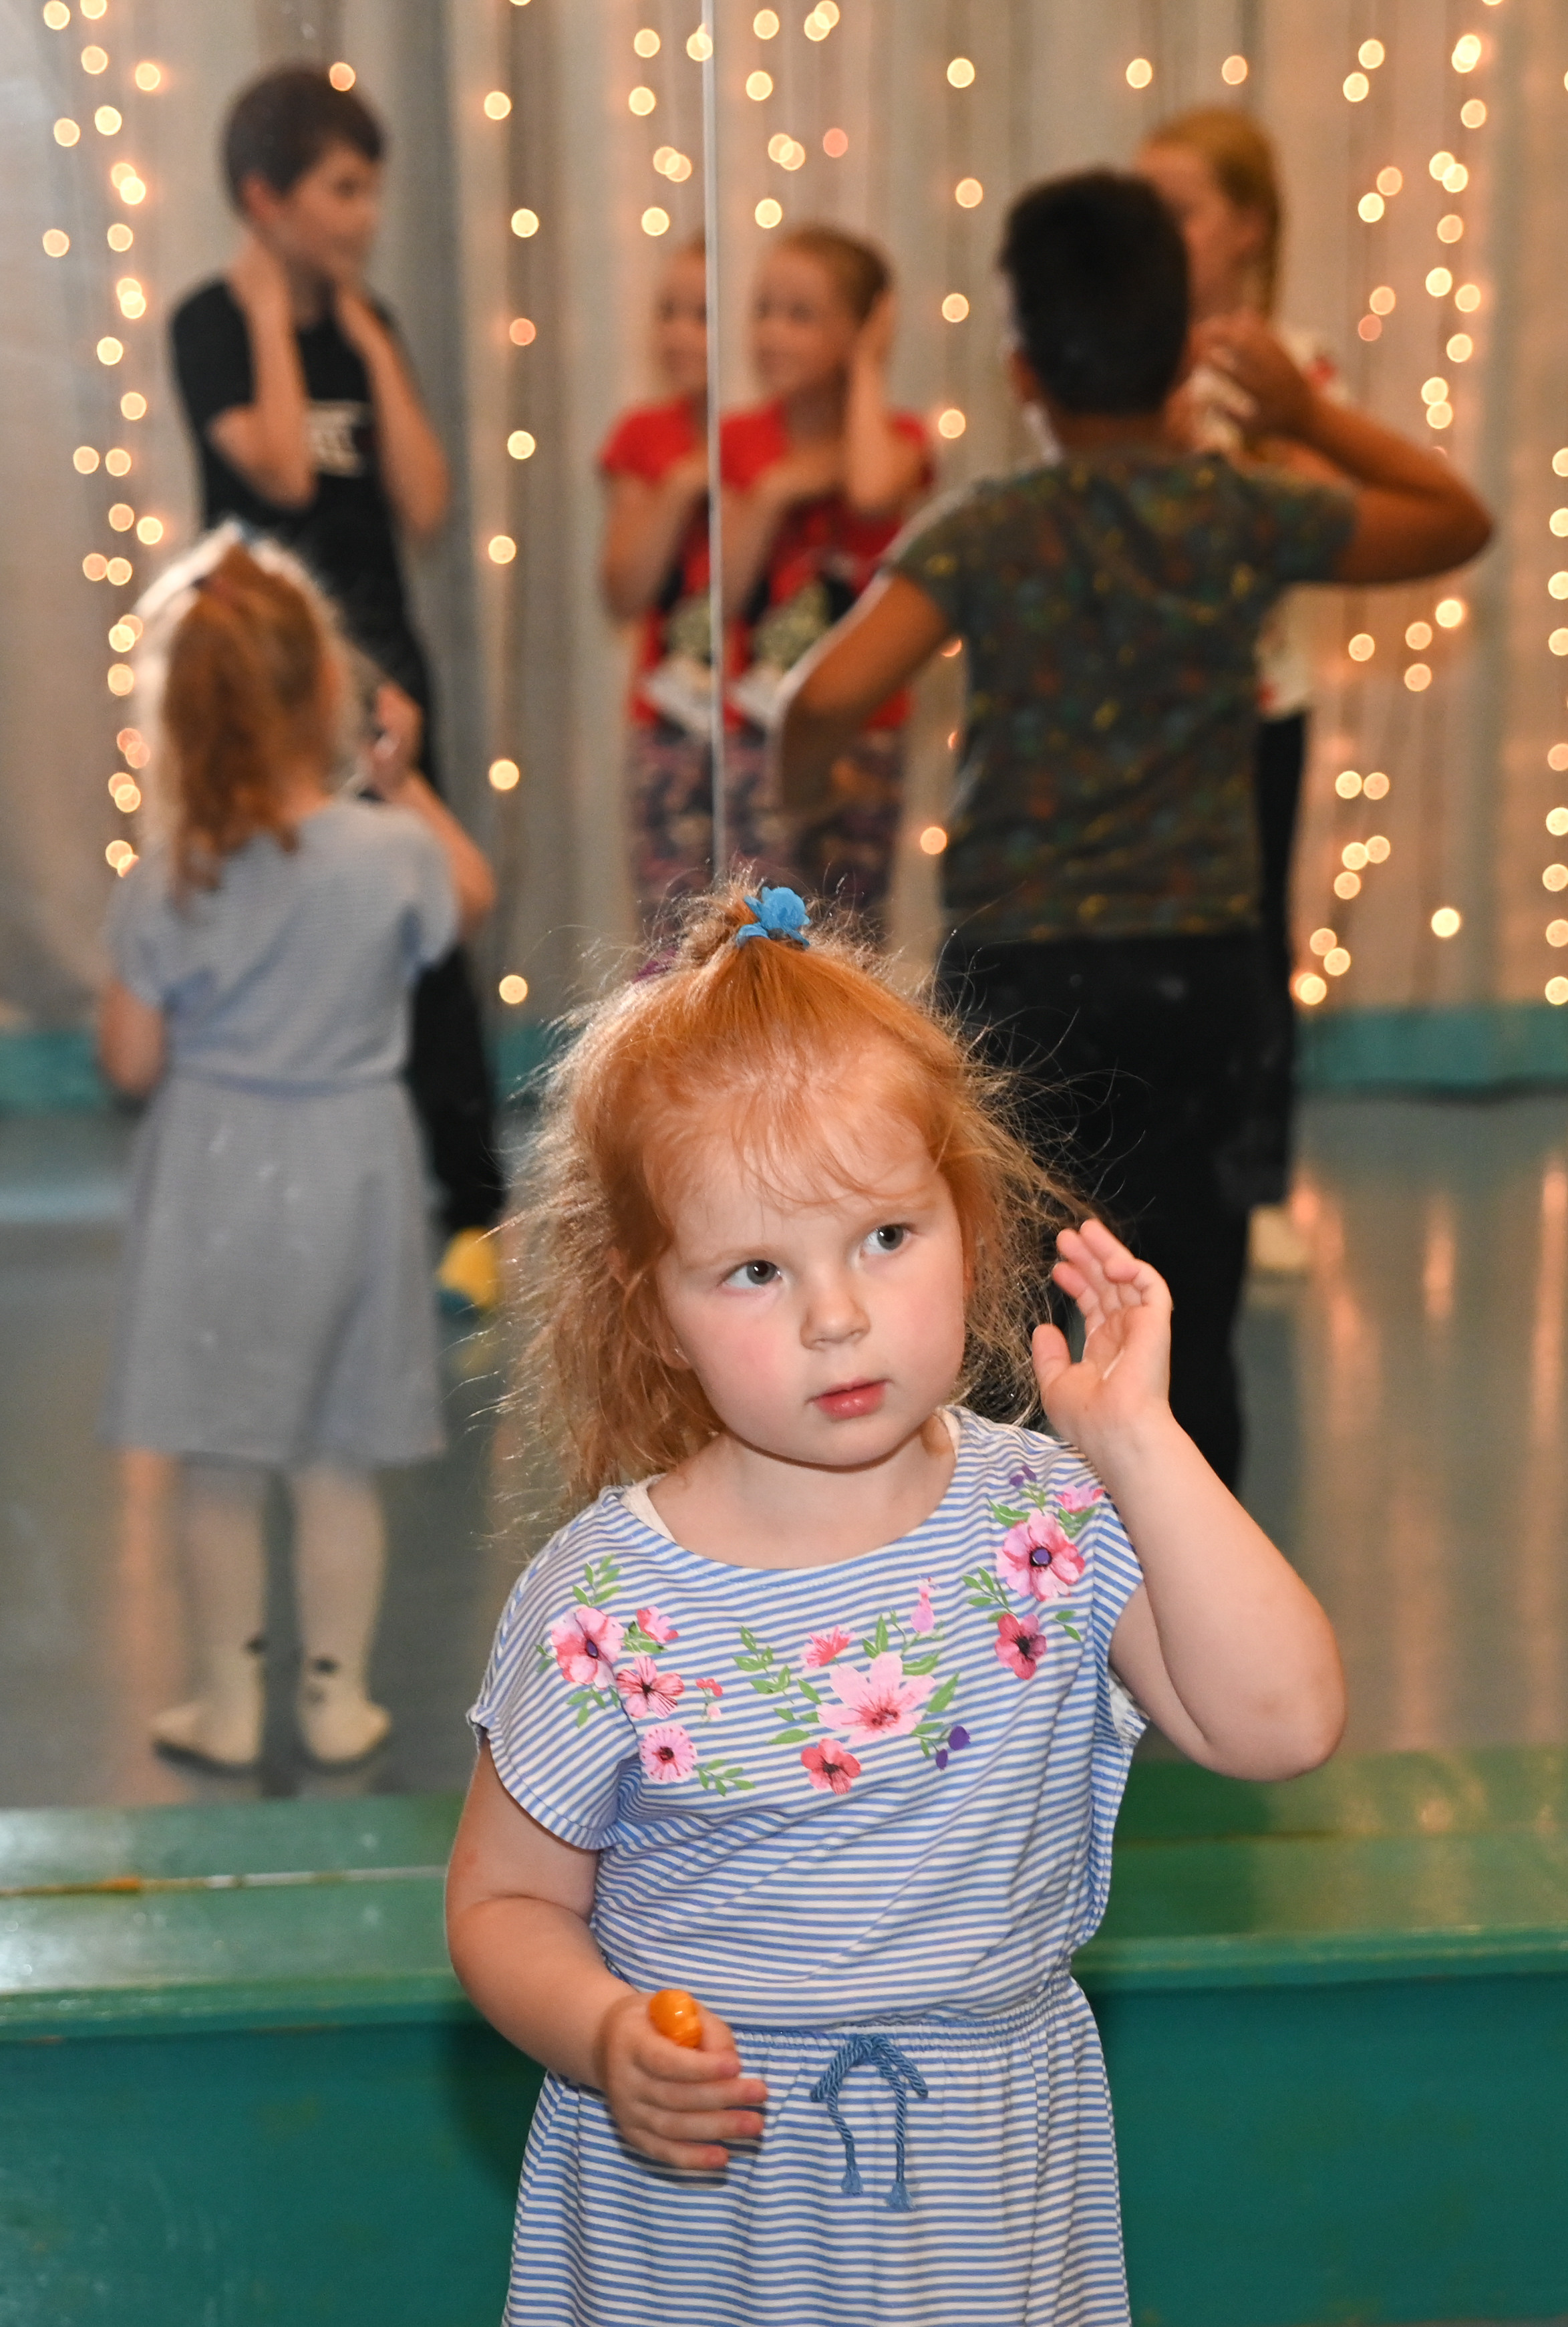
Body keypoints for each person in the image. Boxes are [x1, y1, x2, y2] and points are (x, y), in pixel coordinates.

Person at [445, 879, 1346, 2327]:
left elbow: (1282, 1723)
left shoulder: (1047, 1524)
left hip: (981, 2187)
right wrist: (604, 2034)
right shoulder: (605, 1604)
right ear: (654, 1306)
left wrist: (1137, 1444)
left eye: (883, 1236)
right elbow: (504, 1899)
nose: (836, 1316)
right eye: (755, 1269)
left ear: (966, 1222)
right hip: (708, 2211)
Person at [776, 170, 1491, 1488]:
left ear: (1022, 372)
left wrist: (803, 798)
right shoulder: (1236, 510)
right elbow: (1458, 519)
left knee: (1000, 1321)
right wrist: (1306, 416)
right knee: (1182, 1317)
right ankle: (1186, 1567)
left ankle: (1005, 1565)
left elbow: (822, 697)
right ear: (1180, 362)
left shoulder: (987, 532)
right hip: (1198, 973)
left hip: (1020, 976)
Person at [98, 541, 495, 1770]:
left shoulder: (169, 875)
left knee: (219, 1457)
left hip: (214, 1171)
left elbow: (129, 1061)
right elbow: (471, 894)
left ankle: (226, 1699)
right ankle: (335, 1696)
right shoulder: (386, 851)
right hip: (354, 1164)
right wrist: (405, 784)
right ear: (327, 694)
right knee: (335, 1457)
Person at [169, 65, 505, 1314]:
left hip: (378, 680)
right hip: (259, 678)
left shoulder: (372, 329)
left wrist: (365, 343)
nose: (365, 215)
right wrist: (273, 315)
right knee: (272, 915)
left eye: (372, 189)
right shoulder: (209, 324)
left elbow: (425, 500)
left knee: (423, 923)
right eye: (342, 189)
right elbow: (282, 477)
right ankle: (274, 1208)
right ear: (267, 199)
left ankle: (471, 1209)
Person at [1138, 108, 1343, 1276]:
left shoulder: (1287, 367)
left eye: (1181, 210)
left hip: (1257, 709)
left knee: (1253, 941)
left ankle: (1254, 1180)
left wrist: (1267, 435)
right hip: (1145, 716)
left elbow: (1331, 511)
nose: (1158, 233)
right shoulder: (1124, 363)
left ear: (1247, 228)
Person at [720, 227, 931, 930]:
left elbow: (871, 493)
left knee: (849, 934)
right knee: (755, 933)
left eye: (800, 315)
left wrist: (867, 365)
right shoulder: (739, 440)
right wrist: (774, 492)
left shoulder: (898, 441)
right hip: (758, 730)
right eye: (763, 310)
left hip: (863, 729)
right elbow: (724, 596)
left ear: (860, 330)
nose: (771, 333)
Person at [599, 240, 798, 925]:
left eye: (702, 315)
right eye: (667, 312)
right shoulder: (643, 435)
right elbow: (622, 591)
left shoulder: (779, 436)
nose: (679, 334)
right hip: (666, 722)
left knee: (772, 925)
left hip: (761, 726)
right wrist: (683, 484)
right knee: (669, 926)